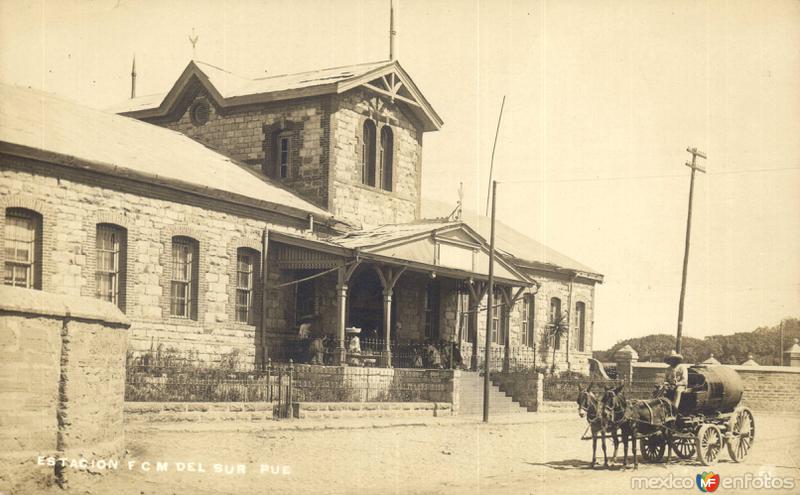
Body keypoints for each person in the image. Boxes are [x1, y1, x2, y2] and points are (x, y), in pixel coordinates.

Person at [663, 350, 688, 418]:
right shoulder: (668, 369)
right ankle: (662, 407)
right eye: (670, 359)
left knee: (677, 391)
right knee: (661, 389)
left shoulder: (682, 367)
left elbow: (684, 380)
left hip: (681, 386)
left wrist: (677, 384)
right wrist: (665, 384)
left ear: (676, 359)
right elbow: (665, 380)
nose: (671, 361)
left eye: (673, 359)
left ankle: (674, 409)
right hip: (671, 385)